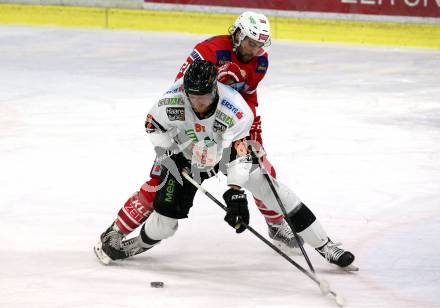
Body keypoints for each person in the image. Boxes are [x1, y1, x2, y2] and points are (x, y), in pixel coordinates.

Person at [94, 60, 355, 269]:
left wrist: (235, 193)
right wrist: (171, 153)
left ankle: (327, 246)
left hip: (225, 151)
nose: (198, 103)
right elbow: (153, 125)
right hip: (186, 156)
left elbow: (240, 155)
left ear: (215, 90)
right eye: (193, 96)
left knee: (273, 189)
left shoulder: (236, 111)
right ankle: (137, 244)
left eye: (204, 97)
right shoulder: (170, 102)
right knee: (165, 223)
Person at [111, 11, 301, 250]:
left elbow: (249, 95)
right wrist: (179, 141)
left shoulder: (260, 61)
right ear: (238, 34)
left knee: (260, 169)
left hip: (228, 124)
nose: (255, 50)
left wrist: (251, 132)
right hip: (190, 126)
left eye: (260, 45)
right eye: (251, 43)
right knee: (162, 179)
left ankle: (275, 224)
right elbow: (180, 92)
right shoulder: (208, 51)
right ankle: (115, 231)